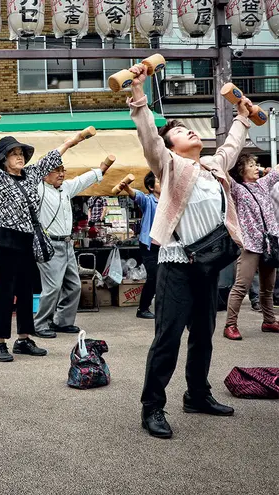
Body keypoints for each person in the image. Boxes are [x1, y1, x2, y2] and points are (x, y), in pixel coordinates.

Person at [128, 63, 250, 438]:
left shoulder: (213, 167)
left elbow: (231, 146)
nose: (188, 131)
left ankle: (197, 394)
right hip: (177, 264)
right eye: (180, 131)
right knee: (168, 336)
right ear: (172, 147)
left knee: (203, 334)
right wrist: (138, 94)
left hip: (209, 263)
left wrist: (244, 118)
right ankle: (152, 407)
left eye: (188, 128)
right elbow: (150, 137)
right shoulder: (168, 165)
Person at [0, 135, 79, 362]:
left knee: (25, 290)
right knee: (4, 291)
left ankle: (23, 339)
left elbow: (50, 158)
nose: (20, 157)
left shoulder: (31, 175)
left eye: (21, 153)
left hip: (28, 239)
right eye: (14, 154)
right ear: (4, 159)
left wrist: (75, 140)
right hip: (4, 238)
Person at [34, 157, 111, 338]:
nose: (61, 173)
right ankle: (41, 324)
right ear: (45, 174)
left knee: (74, 285)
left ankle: (63, 321)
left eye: (63, 169)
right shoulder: (38, 189)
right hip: (50, 244)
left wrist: (102, 168)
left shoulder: (65, 188)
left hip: (67, 244)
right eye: (56, 170)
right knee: (52, 287)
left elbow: (81, 180)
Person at [223, 154, 279, 340]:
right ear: (241, 170)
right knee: (241, 285)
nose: (257, 167)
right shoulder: (237, 189)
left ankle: (269, 321)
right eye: (251, 165)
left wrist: (270, 171)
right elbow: (221, 171)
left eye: (257, 164)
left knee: (268, 287)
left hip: (270, 244)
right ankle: (230, 325)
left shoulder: (263, 184)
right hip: (250, 244)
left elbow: (277, 171)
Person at [117, 171, 160, 320]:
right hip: (149, 246)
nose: (162, 182)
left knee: (166, 277)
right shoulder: (148, 200)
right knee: (154, 276)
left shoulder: (169, 200)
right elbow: (137, 196)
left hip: (166, 245)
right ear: (151, 187)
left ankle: (164, 306)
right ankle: (142, 308)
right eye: (158, 181)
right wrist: (127, 188)